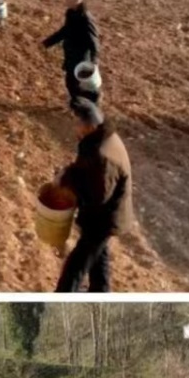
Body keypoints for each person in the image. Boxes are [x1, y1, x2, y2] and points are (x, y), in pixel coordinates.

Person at [54, 98, 134, 293]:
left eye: (78, 124)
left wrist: (67, 180)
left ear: (89, 126)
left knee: (75, 268)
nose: (75, 128)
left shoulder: (102, 154)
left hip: (102, 220)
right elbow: (89, 173)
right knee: (99, 260)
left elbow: (98, 195)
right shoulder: (101, 140)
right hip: (103, 217)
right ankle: (101, 293)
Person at [41, 0, 100, 108]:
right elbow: (65, 31)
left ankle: (91, 104)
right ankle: (77, 103)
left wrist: (94, 61)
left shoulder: (86, 18)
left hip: (81, 57)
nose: (65, 0)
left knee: (81, 84)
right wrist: (47, 43)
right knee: (71, 83)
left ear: (78, 0)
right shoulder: (70, 13)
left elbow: (94, 41)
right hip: (71, 54)